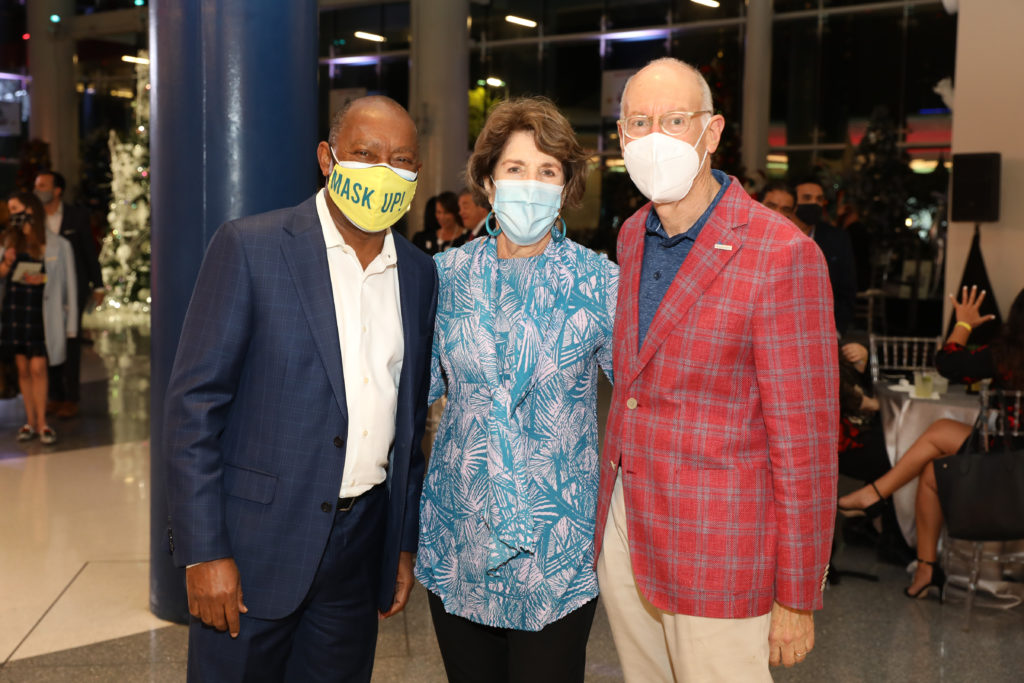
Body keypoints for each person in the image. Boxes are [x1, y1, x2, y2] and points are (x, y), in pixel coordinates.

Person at [164, 96, 437, 682]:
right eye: (365, 154)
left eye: (401, 160)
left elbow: (410, 422)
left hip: (359, 554)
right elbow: (194, 409)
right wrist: (203, 550)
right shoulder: (250, 247)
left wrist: (401, 542)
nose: (383, 172)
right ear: (327, 157)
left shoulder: (417, 274)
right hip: (252, 550)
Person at [594, 58, 838, 680]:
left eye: (675, 121)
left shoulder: (782, 254)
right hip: (629, 533)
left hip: (723, 550)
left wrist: (797, 592)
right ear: (621, 137)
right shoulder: (629, 236)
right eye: (639, 122)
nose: (655, 137)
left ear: (713, 131)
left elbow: (805, 445)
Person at [416, 96, 618, 683]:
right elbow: (408, 396)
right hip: (459, 536)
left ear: (566, 187)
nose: (531, 183)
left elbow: (642, 399)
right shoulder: (445, 279)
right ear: (487, 179)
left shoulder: (600, 284)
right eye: (515, 168)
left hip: (557, 545)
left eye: (547, 171)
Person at [838, 285, 1024, 598]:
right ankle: (926, 570)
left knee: (938, 431)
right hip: (1011, 464)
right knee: (934, 472)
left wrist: (963, 323)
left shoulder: (1007, 356)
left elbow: (948, 363)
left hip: (1007, 469)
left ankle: (875, 494)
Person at [2, 193, 78, 445]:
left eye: (16, 208)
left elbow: (68, 286)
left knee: (38, 367)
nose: (12, 214)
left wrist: (71, 326)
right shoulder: (8, 242)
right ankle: (30, 422)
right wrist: (5, 263)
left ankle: (43, 422)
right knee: (23, 369)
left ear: (30, 210)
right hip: (15, 311)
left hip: (41, 315)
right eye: (10, 210)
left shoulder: (57, 244)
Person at [34, 171, 103, 419]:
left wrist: (98, 285)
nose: (37, 190)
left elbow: (89, 253)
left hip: (73, 289)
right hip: (44, 289)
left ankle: (71, 397)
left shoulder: (76, 216)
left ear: (57, 190)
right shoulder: (35, 218)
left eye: (42, 185)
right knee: (47, 340)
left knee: (71, 341)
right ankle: (55, 396)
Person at [793, 178, 857, 336]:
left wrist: (837, 329)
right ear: (793, 203)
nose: (814, 204)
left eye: (819, 199)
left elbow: (847, 288)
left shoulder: (837, 238)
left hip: (823, 329)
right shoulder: (777, 234)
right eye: (807, 198)